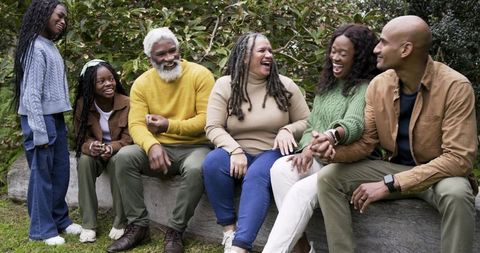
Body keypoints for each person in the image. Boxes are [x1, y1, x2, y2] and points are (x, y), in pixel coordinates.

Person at [311, 15, 478, 253]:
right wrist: (331, 151)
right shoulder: (379, 86)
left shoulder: (455, 87)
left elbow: (459, 159)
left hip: (438, 175)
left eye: (383, 42)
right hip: (394, 168)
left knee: (457, 193)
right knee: (329, 178)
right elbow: (367, 143)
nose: (376, 49)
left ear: (406, 49)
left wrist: (390, 184)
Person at [263, 24, 380, 253]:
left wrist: (331, 135)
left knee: (299, 192)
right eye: (333, 51)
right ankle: (302, 248)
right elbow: (311, 126)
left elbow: (354, 124)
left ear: (359, 57)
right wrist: (307, 148)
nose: (335, 57)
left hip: (347, 165)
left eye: (343, 53)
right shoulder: (327, 87)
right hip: (321, 160)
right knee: (280, 168)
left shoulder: (364, 87)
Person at [105, 27, 215, 253]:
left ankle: (175, 231)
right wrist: (152, 144)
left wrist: (168, 125)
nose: (169, 58)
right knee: (124, 157)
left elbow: (207, 120)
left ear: (179, 49)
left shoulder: (200, 74)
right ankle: (138, 225)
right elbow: (135, 124)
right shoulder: (142, 84)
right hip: (159, 149)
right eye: (161, 55)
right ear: (150, 59)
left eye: (172, 51)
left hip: (195, 146)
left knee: (197, 168)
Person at [202, 32, 310, 253]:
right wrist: (234, 150)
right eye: (262, 50)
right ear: (244, 57)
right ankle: (229, 232)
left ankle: (241, 246)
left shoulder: (285, 85)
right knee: (212, 163)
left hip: (273, 151)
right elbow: (212, 127)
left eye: (270, 50)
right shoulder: (225, 85)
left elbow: (308, 121)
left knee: (257, 174)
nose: (269, 54)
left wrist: (288, 129)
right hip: (237, 151)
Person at [12, 0, 82, 245]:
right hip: (39, 118)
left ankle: (60, 219)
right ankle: (41, 229)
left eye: (65, 19)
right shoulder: (34, 47)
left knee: (60, 171)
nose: (63, 22)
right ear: (43, 13)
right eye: (59, 16)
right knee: (42, 173)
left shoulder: (49, 46)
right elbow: (30, 94)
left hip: (55, 117)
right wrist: (38, 131)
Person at [73, 59, 132, 243]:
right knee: (84, 161)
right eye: (101, 81)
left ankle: (120, 220)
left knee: (117, 161)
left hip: (119, 152)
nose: (108, 84)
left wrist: (111, 147)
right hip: (96, 153)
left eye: (111, 79)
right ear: (91, 85)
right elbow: (80, 137)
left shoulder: (127, 103)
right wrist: (91, 146)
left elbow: (131, 137)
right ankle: (89, 223)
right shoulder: (83, 104)